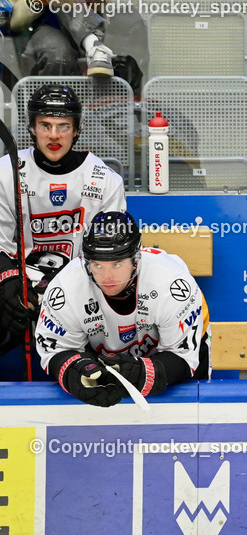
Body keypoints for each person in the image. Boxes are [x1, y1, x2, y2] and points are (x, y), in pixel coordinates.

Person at [0, 86, 126, 372]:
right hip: (22, 283)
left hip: (83, 288)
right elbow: (0, 242)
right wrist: (9, 285)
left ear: (77, 129)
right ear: (32, 128)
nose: (54, 135)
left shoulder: (105, 179)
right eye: (45, 125)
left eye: (63, 126)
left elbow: (109, 256)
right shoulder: (6, 171)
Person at [35, 211, 209, 407]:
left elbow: (183, 356)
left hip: (167, 356)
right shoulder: (66, 287)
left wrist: (144, 372)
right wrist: (77, 371)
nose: (106, 276)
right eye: (97, 265)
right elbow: (56, 350)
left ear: (136, 260)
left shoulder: (172, 284)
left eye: (116, 264)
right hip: (101, 357)